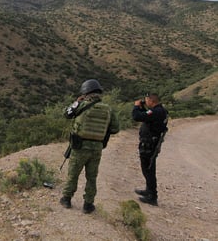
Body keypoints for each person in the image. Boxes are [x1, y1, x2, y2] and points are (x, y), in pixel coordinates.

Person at [60, 79, 120, 213]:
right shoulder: (108, 109)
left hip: (79, 146)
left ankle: (66, 199)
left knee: (73, 174)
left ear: (85, 92)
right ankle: (88, 205)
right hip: (97, 148)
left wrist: (77, 102)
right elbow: (115, 128)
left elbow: (67, 114)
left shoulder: (81, 105)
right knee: (91, 177)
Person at [132, 93, 168, 206]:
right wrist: (142, 107)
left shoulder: (157, 111)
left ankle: (152, 196)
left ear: (152, 101)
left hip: (149, 145)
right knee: (148, 169)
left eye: (146, 100)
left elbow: (137, 116)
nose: (145, 102)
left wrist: (136, 106)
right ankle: (149, 191)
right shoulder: (159, 110)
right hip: (150, 144)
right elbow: (146, 115)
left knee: (148, 169)